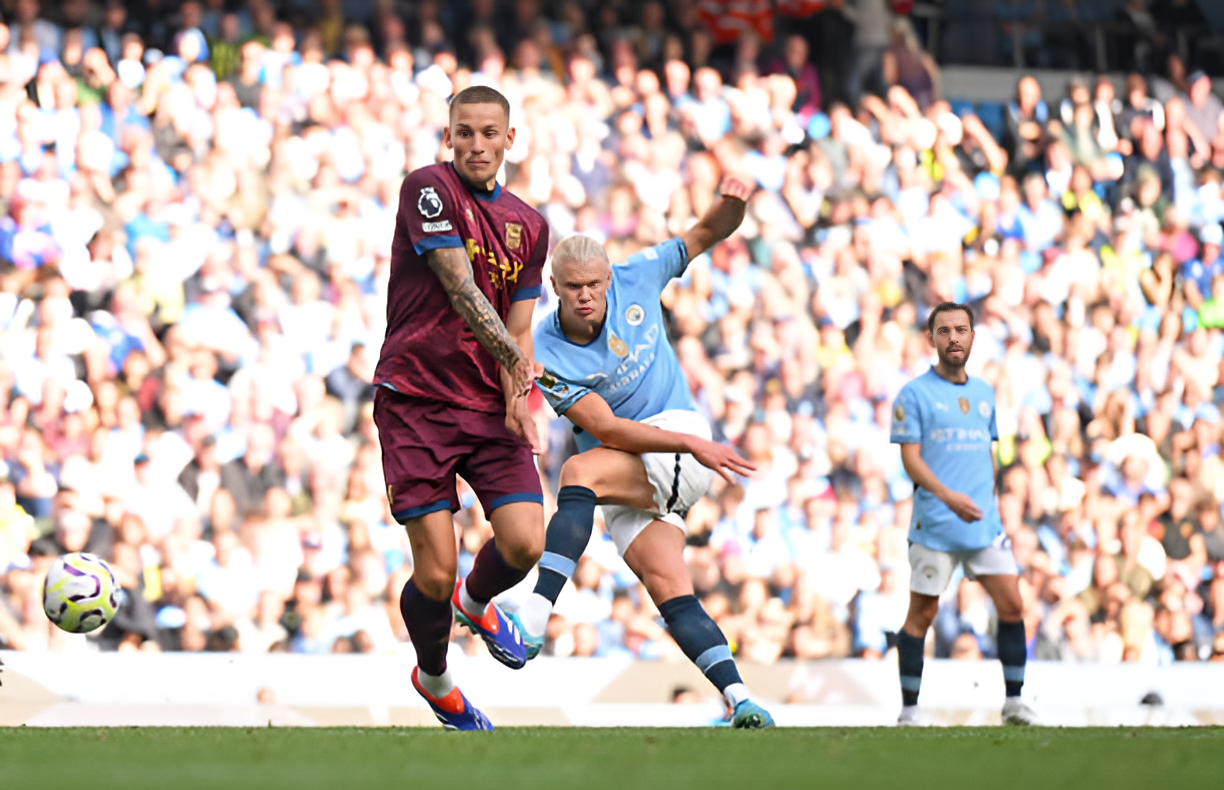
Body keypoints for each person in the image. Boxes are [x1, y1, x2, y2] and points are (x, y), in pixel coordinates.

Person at [517, 176, 776, 729]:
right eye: (572, 287)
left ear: (609, 278)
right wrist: (691, 446)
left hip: (677, 434)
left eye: (593, 284)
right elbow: (607, 427)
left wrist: (732, 204)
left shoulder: (639, 274)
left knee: (578, 470)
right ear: (554, 287)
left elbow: (708, 231)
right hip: (643, 461)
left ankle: (533, 617)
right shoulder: (544, 351)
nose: (586, 295)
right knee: (668, 591)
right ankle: (742, 698)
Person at [373, 85, 549, 731]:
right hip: (416, 397)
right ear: (449, 137)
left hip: (486, 401)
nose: (476, 144)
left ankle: (479, 602)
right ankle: (436, 677)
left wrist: (517, 398)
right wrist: (520, 365)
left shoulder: (530, 224)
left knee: (527, 541)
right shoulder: (427, 188)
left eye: (488, 133)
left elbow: (518, 324)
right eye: (465, 132)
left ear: (510, 139)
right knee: (435, 570)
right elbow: (459, 284)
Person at [889, 302, 1037, 726]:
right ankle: (910, 710)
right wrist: (949, 497)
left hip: (983, 526)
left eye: (961, 330)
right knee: (922, 615)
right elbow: (911, 461)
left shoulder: (985, 393)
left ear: (973, 336)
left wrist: (989, 502)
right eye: (944, 331)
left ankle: (1013, 702)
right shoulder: (914, 394)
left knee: (1012, 604)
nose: (954, 338)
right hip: (936, 524)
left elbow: (986, 456)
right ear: (931, 339)